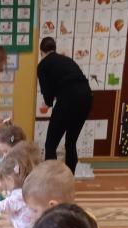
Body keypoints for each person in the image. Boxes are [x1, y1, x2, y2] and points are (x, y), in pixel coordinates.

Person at [37, 36, 93, 173]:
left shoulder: (43, 65)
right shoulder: (67, 60)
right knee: (71, 142)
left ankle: (52, 179)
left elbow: (47, 94)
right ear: (54, 49)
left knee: (50, 144)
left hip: (68, 100)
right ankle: (69, 179)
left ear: (41, 51)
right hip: (86, 98)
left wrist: (47, 103)